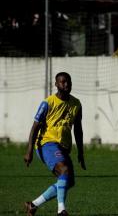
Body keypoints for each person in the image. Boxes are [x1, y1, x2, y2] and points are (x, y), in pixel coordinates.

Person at [24, 72, 86, 216]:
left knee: (68, 181)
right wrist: (29, 151)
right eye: (63, 82)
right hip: (46, 143)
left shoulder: (76, 104)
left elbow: (78, 129)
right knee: (63, 171)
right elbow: (35, 127)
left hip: (64, 146)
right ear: (56, 84)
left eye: (68, 82)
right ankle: (61, 210)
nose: (66, 85)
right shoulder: (48, 102)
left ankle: (33, 205)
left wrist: (81, 152)